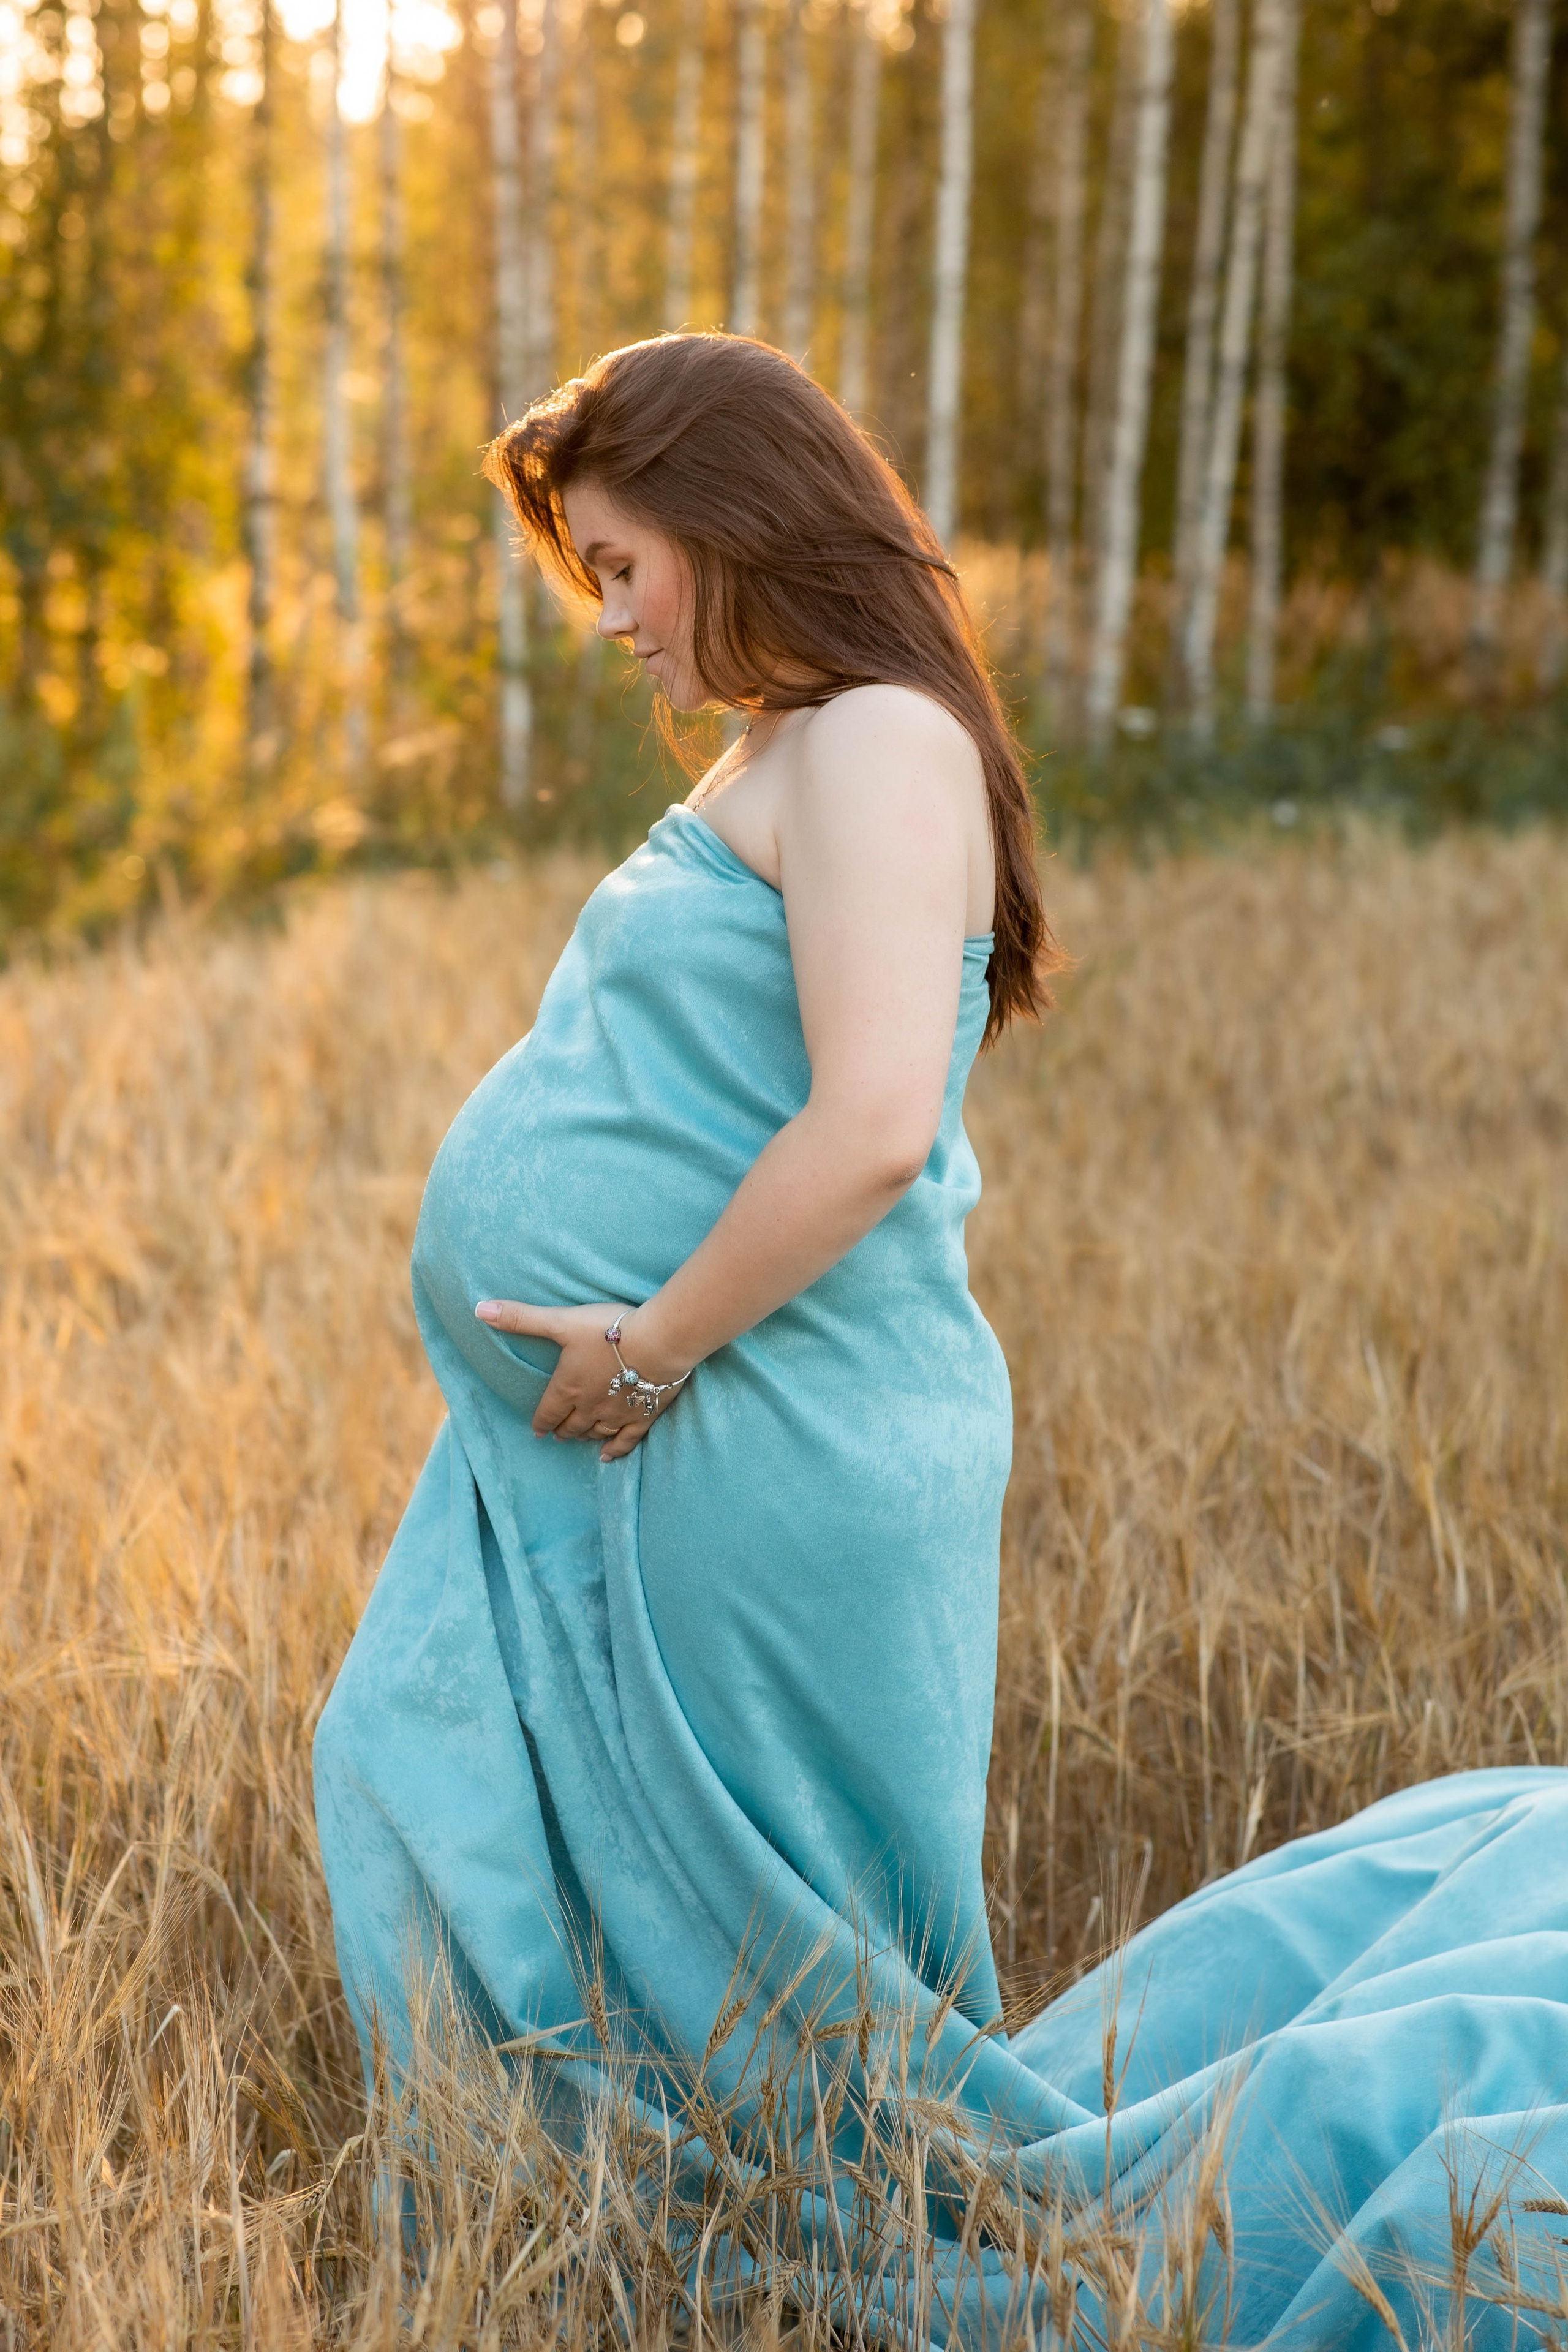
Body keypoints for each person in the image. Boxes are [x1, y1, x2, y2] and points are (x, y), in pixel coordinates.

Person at [314, 334, 1568, 2349]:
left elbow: (878, 1118)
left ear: (735, 518)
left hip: (762, 1434)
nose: (615, 620)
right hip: (704, 1433)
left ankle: (819, 2261)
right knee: (539, 1846)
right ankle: (655, 2238)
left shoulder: (878, 737)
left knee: (820, 2004)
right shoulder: (802, 740)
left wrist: (646, 1349)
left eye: (626, 564)